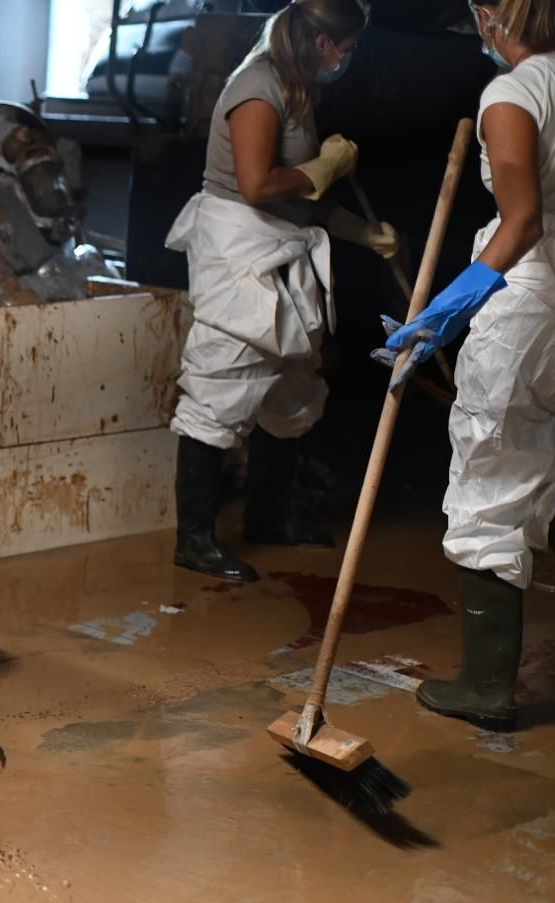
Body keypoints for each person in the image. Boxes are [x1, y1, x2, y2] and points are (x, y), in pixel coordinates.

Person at [165, 0, 397, 583]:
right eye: (345, 48)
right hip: (239, 248)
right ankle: (193, 541)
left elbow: (301, 196)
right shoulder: (257, 85)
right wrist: (324, 165)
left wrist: (358, 231)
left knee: (292, 385)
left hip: (280, 246)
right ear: (322, 43)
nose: (347, 59)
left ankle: (269, 517)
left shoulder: (297, 88)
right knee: (221, 384)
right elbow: (256, 184)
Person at [374, 0, 555, 732]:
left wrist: (450, 305)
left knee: (490, 478)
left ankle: (485, 686)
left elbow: (524, 220)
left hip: (532, 302)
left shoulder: (511, 93)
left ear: (489, 15)